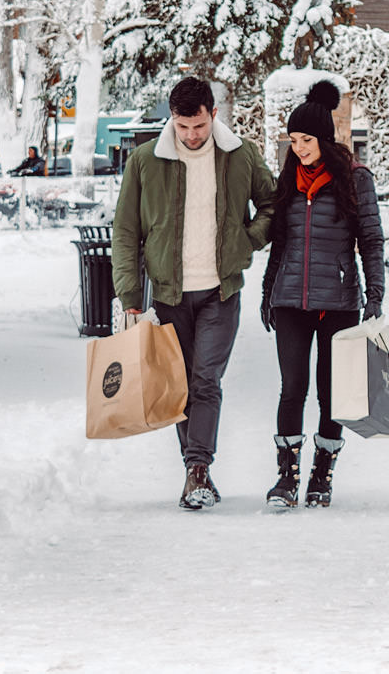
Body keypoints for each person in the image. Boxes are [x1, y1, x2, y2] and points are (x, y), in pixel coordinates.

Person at [112, 77, 277, 510]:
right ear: (172, 119)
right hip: (169, 294)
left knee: (206, 379)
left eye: (199, 125)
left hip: (220, 292)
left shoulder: (240, 155)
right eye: (183, 126)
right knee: (179, 384)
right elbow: (126, 230)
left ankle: (197, 469)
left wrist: (248, 241)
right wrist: (129, 291)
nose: (191, 135)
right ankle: (196, 470)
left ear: (213, 114)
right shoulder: (147, 161)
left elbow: (273, 204)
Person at [259, 80, 384, 510]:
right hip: (290, 299)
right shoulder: (289, 180)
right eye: (293, 140)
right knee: (292, 387)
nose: (299, 148)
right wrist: (267, 290)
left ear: (324, 140)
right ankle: (286, 477)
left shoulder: (354, 180)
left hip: (339, 301)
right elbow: (280, 240)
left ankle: (321, 474)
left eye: (306, 140)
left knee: (332, 393)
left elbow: (371, 241)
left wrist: (376, 296)